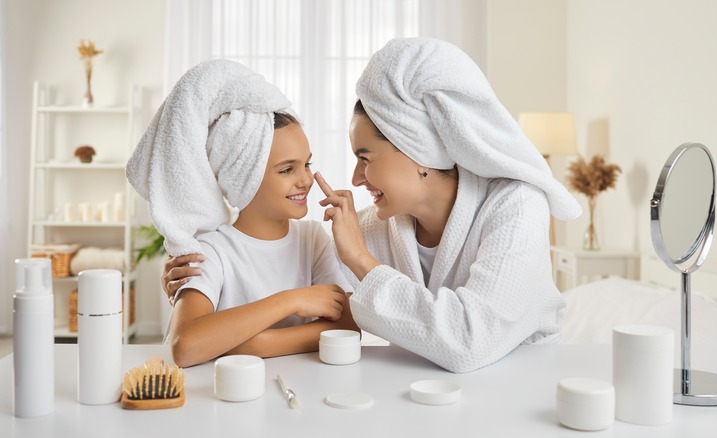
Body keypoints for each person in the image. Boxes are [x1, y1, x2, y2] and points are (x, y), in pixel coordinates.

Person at [163, 38, 581, 373]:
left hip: (525, 385)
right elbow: (309, 288)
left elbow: (469, 341)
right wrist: (194, 288)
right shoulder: (373, 230)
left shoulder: (516, 207)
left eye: (365, 158)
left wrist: (361, 262)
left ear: (416, 149)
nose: (356, 178)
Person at [127, 60, 357, 368]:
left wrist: (254, 343)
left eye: (307, 164)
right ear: (243, 178)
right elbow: (185, 347)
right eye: (287, 170)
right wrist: (292, 300)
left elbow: (346, 329)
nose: (305, 179)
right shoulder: (211, 250)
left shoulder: (312, 239)